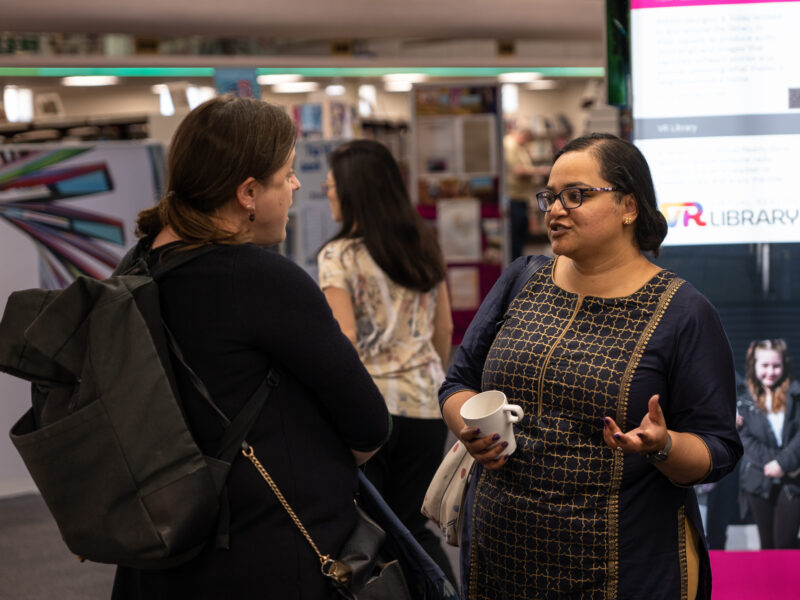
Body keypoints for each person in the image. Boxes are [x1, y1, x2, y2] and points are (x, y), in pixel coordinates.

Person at [439, 133, 742, 599]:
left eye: (575, 195)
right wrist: (469, 429)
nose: (555, 209)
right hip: (498, 561)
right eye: (550, 196)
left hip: (620, 572)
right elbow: (459, 381)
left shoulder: (683, 313)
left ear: (629, 206)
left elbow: (718, 449)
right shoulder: (522, 278)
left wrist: (662, 446)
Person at [111, 96, 391, 599]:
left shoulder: (135, 270)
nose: (297, 184)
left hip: (156, 551)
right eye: (286, 175)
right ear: (247, 192)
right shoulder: (260, 279)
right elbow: (368, 422)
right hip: (266, 551)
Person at [317, 139, 456, 584]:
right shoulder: (421, 244)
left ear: (355, 189)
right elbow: (445, 331)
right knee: (412, 525)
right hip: (426, 406)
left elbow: (345, 344)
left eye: (334, 182)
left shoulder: (339, 256)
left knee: (370, 531)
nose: (326, 188)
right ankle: (444, 593)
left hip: (373, 413)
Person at [738, 339, 800, 549]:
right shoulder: (743, 402)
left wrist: (783, 464)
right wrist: (773, 464)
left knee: (786, 544)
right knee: (767, 545)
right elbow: (745, 439)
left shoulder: (796, 395)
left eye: (776, 365)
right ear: (753, 366)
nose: (771, 371)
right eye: (764, 365)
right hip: (758, 479)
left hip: (792, 478)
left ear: (784, 365)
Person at [503, 125, 547, 260]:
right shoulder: (510, 145)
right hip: (514, 197)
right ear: (524, 135)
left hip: (521, 197)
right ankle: (515, 268)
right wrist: (539, 170)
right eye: (528, 140)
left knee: (520, 235)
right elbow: (518, 170)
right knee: (515, 237)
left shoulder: (518, 147)